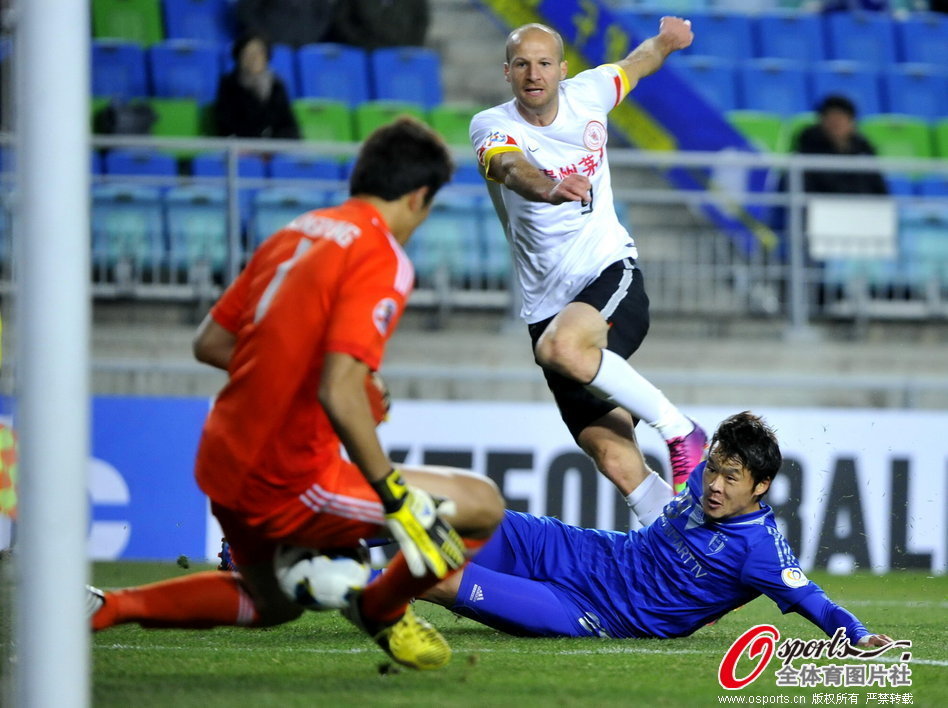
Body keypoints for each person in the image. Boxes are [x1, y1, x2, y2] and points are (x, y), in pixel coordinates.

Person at [87, 117, 505, 672]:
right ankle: (381, 606)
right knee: (482, 506)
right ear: (418, 197)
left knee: (271, 602)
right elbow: (340, 391)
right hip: (286, 479)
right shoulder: (382, 255)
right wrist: (395, 496)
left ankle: (105, 606)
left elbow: (210, 342)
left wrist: (301, 376)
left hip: (222, 461)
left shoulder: (299, 229)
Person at [469, 18, 707, 515]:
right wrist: (548, 187)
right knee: (613, 454)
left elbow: (635, 66)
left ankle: (681, 430)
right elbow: (511, 169)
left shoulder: (590, 94)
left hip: (607, 272)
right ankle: (685, 547)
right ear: (507, 73)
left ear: (562, 70)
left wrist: (664, 41)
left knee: (561, 346)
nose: (534, 74)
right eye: (522, 64)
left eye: (544, 63)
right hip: (546, 305)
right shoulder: (491, 125)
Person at [421, 412, 892, 648]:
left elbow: (815, 601)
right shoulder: (698, 483)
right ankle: (347, 527)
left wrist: (857, 633)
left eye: (732, 477)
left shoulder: (760, 549)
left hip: (588, 611)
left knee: (439, 578)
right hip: (569, 549)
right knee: (449, 515)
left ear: (761, 486)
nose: (714, 485)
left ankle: (350, 584)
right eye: (713, 469)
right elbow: (634, 469)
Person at [795, 94, 888, 196]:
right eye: (831, 118)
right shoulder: (808, 150)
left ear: (852, 123)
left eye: (841, 119)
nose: (836, 124)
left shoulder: (864, 151)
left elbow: (879, 190)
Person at [214, 33, 300, 140]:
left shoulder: (276, 84)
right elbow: (225, 125)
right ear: (238, 56)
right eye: (248, 53)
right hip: (242, 148)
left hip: (273, 149)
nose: (254, 58)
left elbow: (288, 124)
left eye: (259, 53)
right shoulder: (229, 84)